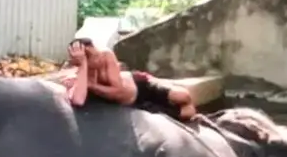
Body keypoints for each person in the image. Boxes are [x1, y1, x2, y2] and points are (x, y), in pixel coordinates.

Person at [61, 39, 197, 121]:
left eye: (94, 52)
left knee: (184, 96)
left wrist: (91, 86)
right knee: (188, 112)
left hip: (139, 84)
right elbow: (78, 100)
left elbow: (117, 90)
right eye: (89, 56)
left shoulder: (105, 55)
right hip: (135, 103)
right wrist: (83, 64)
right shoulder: (82, 72)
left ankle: (163, 82)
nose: (96, 57)